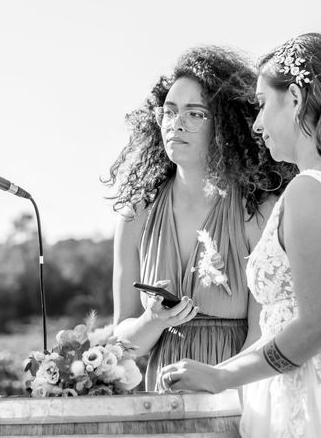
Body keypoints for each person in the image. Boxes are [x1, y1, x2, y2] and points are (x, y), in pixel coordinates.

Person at [159, 33, 321, 437]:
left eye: (261, 104)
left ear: (294, 97)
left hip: (309, 403)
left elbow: (318, 328)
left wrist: (222, 378)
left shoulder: (311, 188)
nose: (256, 124)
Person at [107, 46, 296, 391]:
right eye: (169, 111)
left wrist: (217, 384)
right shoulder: (136, 214)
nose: (176, 123)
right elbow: (121, 344)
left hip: (237, 396)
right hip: (160, 400)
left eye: (195, 114)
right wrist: (152, 320)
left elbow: (262, 333)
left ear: (225, 125)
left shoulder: (258, 210)